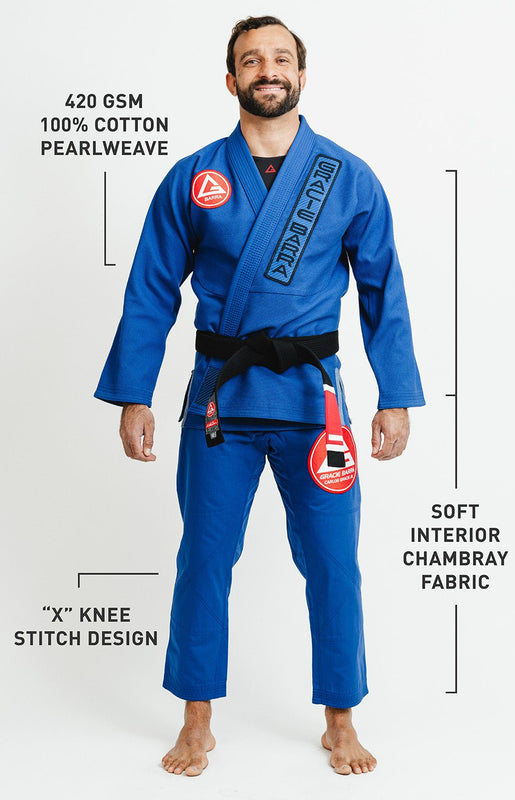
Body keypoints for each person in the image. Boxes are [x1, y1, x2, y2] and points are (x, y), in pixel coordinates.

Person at [94, 15, 424, 777]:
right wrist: (134, 395)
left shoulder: (347, 176)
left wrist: (395, 395)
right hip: (220, 402)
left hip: (315, 405)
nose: (266, 70)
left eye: (279, 58)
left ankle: (340, 718)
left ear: (301, 76)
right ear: (231, 79)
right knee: (204, 561)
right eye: (251, 60)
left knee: (334, 563)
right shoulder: (193, 177)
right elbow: (150, 290)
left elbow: (383, 293)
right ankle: (196, 720)